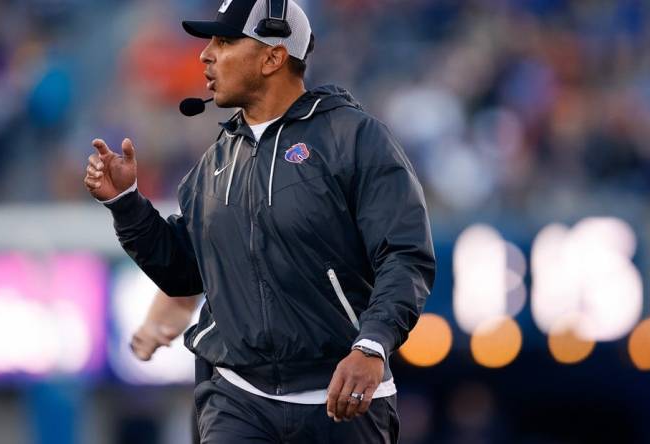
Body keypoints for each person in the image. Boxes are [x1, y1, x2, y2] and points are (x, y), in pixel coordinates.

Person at [84, 0, 435, 441]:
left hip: (343, 395)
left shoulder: (355, 139)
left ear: (273, 56)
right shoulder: (215, 160)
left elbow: (404, 255)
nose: (205, 54)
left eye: (225, 41)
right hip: (237, 397)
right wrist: (127, 204)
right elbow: (184, 271)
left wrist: (373, 344)